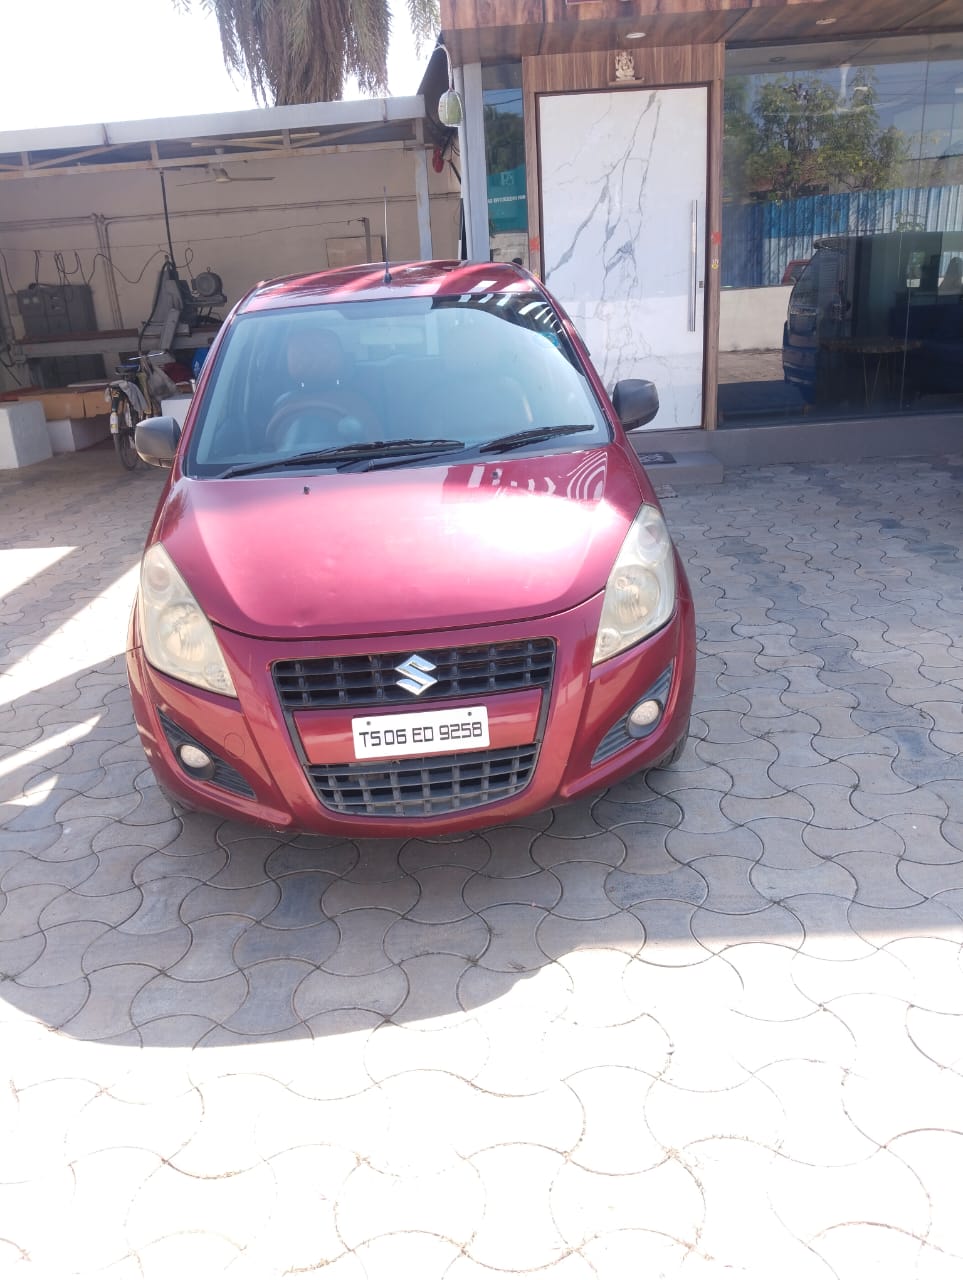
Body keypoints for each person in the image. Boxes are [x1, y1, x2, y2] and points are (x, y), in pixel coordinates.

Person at [269, 326, 378, 449]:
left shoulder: (359, 406)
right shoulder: (282, 404)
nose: (312, 359)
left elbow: (375, 448)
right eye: (306, 354)